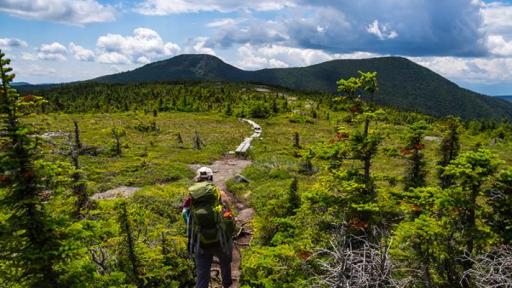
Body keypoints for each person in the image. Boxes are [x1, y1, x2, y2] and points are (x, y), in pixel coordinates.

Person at [183, 167, 235, 288]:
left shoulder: (191, 196)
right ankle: (226, 284)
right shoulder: (219, 193)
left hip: (200, 241)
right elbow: (229, 213)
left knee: (202, 274)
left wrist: (196, 227)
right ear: (211, 178)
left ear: (198, 178)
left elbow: (184, 214)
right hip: (221, 240)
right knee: (225, 263)